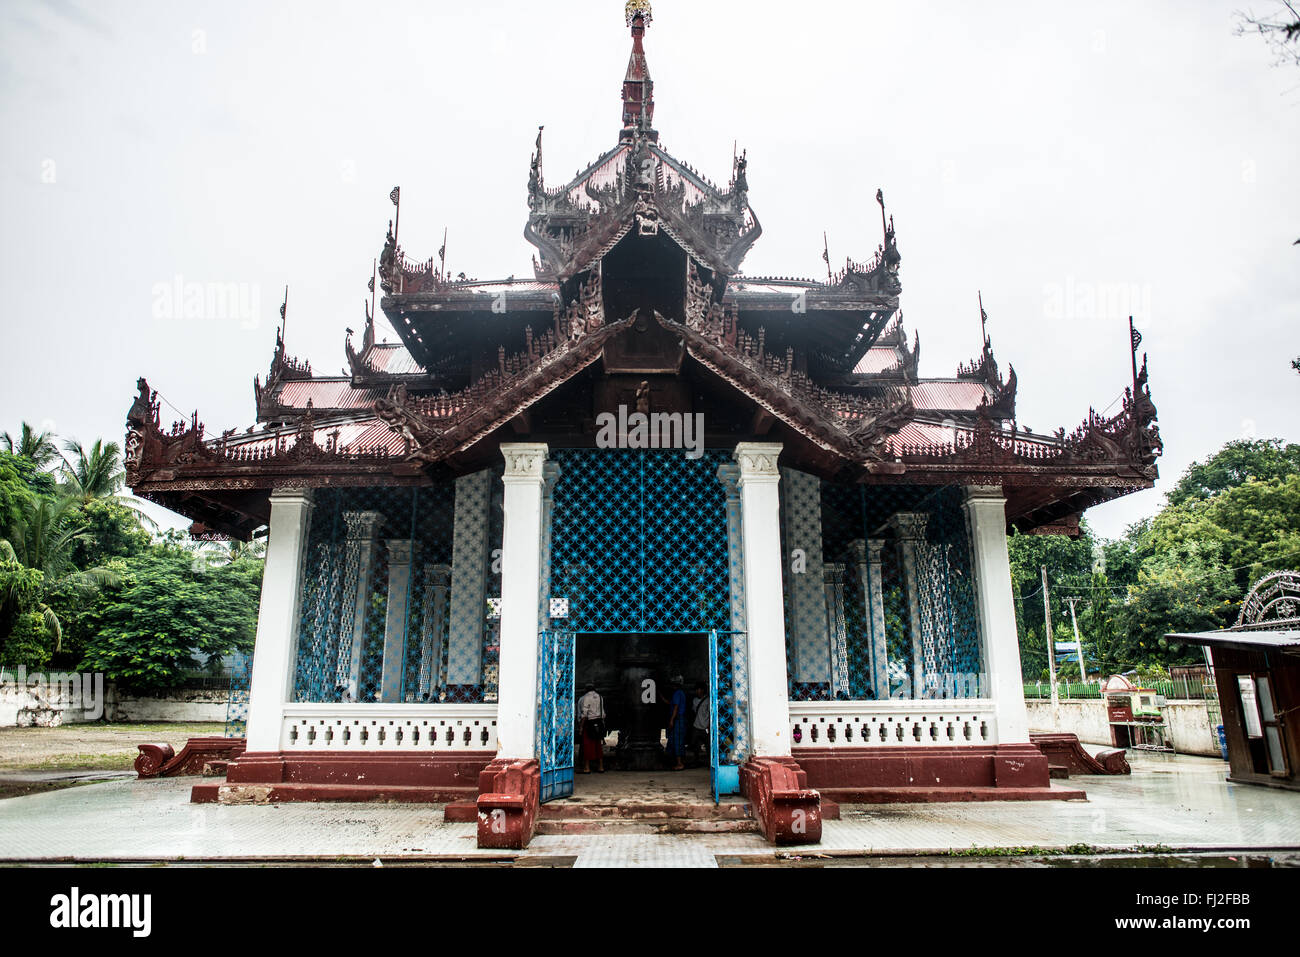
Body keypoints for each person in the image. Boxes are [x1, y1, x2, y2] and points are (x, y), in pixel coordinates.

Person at [577, 683, 605, 773]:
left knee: (587, 745)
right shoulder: (600, 697)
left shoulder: (585, 698)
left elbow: (584, 714)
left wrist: (581, 727)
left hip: (589, 723)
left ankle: (587, 768)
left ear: (586, 690)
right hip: (599, 722)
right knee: (598, 745)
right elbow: (602, 712)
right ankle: (601, 767)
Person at [666, 676, 687, 771]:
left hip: (677, 719)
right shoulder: (679, 693)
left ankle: (679, 763)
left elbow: (676, 707)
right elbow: (670, 703)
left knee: (677, 741)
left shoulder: (677, 693)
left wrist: (671, 720)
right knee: (675, 740)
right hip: (678, 719)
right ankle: (677, 761)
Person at [689, 682, 709, 767]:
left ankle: (709, 762)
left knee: (708, 745)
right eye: (696, 689)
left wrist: (709, 725)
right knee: (694, 745)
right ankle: (696, 761)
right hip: (696, 726)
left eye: (699, 689)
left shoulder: (708, 700)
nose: (697, 691)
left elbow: (710, 713)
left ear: (703, 690)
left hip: (705, 727)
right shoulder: (694, 700)